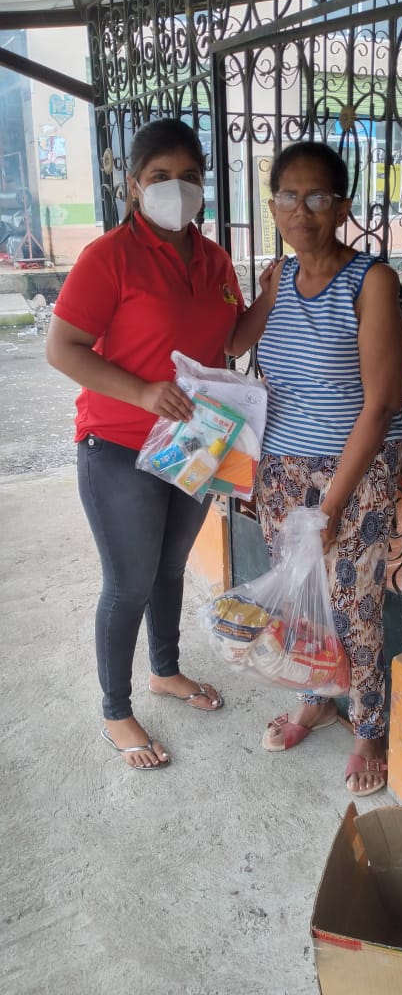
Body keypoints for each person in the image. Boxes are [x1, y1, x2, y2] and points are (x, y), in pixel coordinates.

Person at [46, 118, 245, 770]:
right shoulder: (109, 257)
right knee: (129, 582)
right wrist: (142, 393)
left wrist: (268, 301)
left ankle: (165, 671)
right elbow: (63, 349)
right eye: (161, 176)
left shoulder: (213, 259)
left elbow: (230, 340)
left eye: (189, 176)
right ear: (134, 186)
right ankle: (115, 709)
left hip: (191, 444)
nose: (176, 188)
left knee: (168, 569)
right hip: (118, 446)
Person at [226, 140, 402, 796]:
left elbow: (381, 404)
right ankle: (317, 697)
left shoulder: (371, 282)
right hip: (281, 468)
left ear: (342, 207)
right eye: (287, 196)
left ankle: (368, 727)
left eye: (316, 196)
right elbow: (236, 343)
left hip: (353, 471)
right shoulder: (278, 275)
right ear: (273, 205)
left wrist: (329, 506)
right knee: (302, 600)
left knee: (353, 605)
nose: (300, 210)